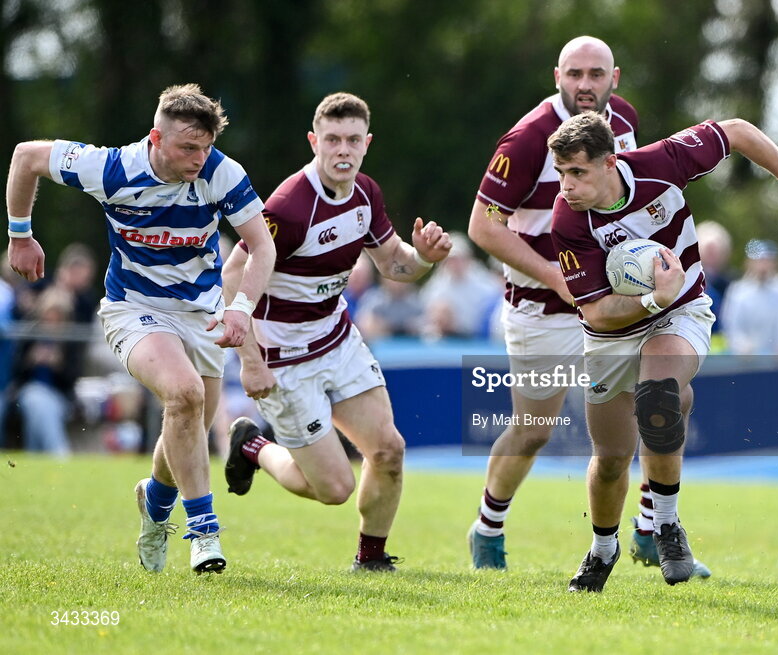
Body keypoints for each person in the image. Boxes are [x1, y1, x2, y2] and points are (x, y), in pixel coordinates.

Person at [547, 111, 778, 592]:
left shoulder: (662, 162)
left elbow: (740, 131)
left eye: (576, 171)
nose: (566, 185)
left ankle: (666, 526)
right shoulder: (568, 219)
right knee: (610, 460)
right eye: (560, 173)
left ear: (608, 162)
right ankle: (603, 548)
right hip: (611, 335)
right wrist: (650, 296)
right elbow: (598, 313)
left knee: (659, 397)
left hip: (678, 313)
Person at [5, 83, 276, 573]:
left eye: (206, 147)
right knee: (185, 396)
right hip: (134, 308)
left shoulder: (221, 173)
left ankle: (155, 502)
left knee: (187, 424)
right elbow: (26, 156)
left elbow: (262, 247)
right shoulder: (113, 168)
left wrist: (240, 309)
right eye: (188, 147)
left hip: (203, 313)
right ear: (156, 137)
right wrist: (19, 235)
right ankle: (204, 532)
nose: (199, 158)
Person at [466, 35, 708, 575]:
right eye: (575, 74)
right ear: (557, 76)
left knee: (667, 396)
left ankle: (652, 526)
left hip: (615, 307)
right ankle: (487, 526)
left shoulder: (621, 120)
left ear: (613, 79)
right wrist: (557, 277)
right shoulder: (528, 139)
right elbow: (482, 226)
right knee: (534, 430)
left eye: (595, 74)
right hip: (542, 304)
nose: (585, 85)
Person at [221, 92, 451, 572]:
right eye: (332, 140)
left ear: (366, 143)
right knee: (333, 489)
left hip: (337, 338)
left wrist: (425, 258)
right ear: (314, 141)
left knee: (388, 449)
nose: (342, 150)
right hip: (282, 358)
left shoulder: (366, 192)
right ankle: (253, 445)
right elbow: (233, 270)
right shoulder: (289, 206)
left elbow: (394, 265)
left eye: (352, 140)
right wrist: (249, 360)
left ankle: (371, 560)